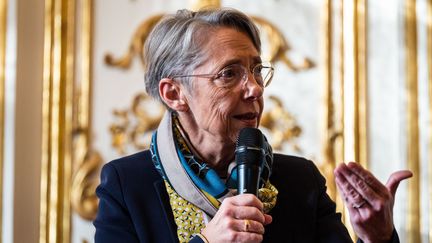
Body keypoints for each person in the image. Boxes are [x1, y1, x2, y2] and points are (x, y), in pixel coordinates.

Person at [94, 7, 412, 243]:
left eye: (256, 69)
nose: (255, 88)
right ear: (175, 93)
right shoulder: (125, 184)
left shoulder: (300, 180)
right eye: (229, 73)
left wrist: (378, 238)